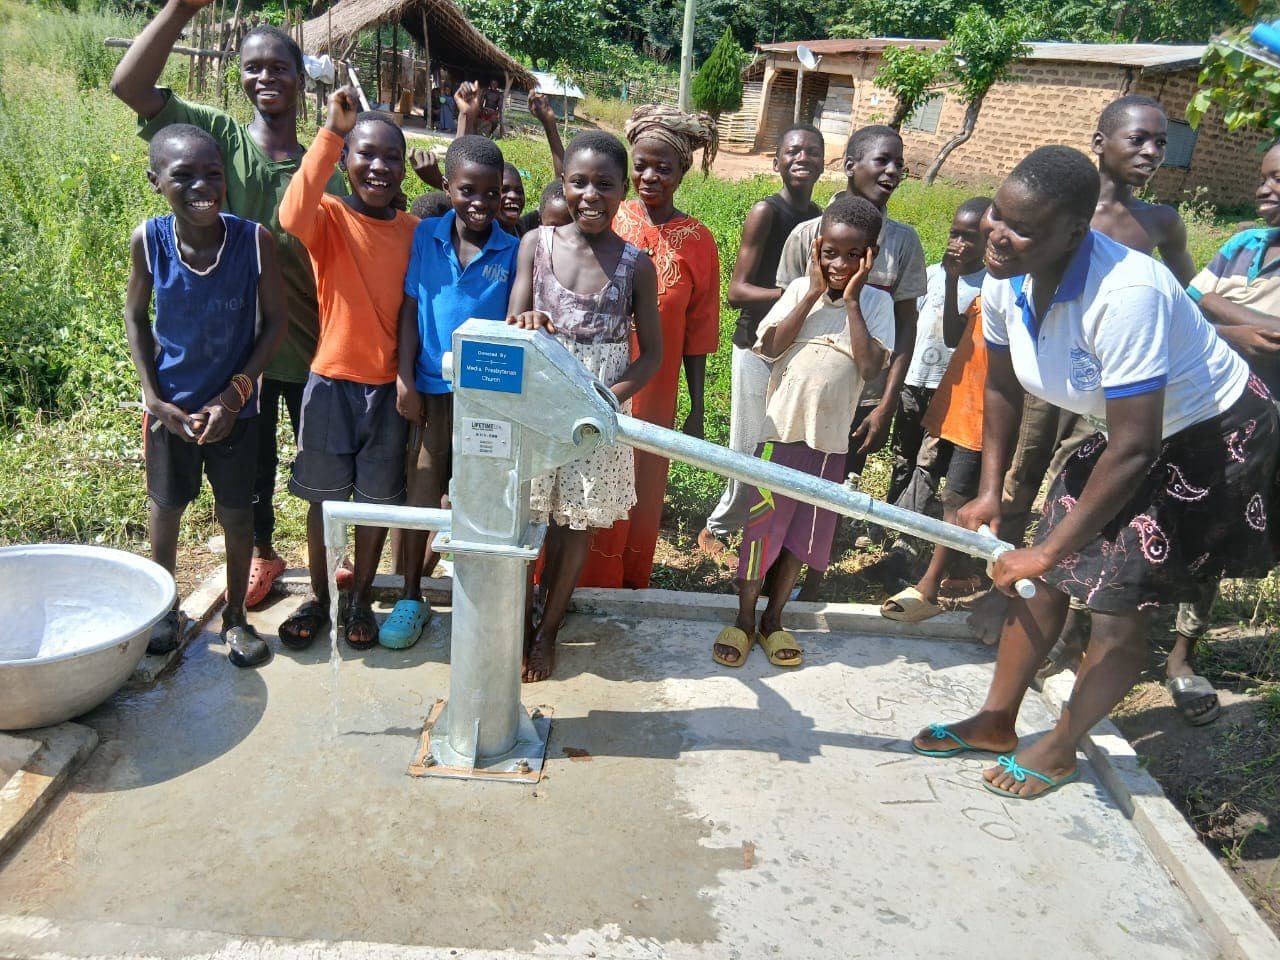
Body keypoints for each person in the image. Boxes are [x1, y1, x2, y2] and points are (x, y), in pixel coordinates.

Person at [911, 146, 1278, 800]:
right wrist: (992, 489)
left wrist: (1048, 548)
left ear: (1073, 232)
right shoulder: (1006, 273)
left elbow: (1136, 448)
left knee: (1116, 608)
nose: (997, 233)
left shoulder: (1126, 293)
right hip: (1129, 435)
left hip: (1207, 438)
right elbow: (1000, 387)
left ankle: (1059, 748)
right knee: (1040, 582)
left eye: (1021, 227)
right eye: (997, 214)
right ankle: (997, 720)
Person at [111, 1, 348, 616]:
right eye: (252, 67)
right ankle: (264, 557)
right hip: (245, 352)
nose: (265, 77)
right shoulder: (219, 141)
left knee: (322, 462)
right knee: (252, 471)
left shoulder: (331, 162)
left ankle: (330, 560)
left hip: (318, 342)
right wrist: (179, 10)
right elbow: (128, 86)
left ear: (303, 78)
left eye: (279, 67)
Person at [124, 124, 286, 668]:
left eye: (212, 174)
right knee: (166, 510)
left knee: (237, 515)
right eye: (183, 175)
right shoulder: (149, 240)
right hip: (170, 410)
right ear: (155, 182)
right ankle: (166, 609)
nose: (201, 186)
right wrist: (153, 398)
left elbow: (276, 324)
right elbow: (136, 317)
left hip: (235, 412)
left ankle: (237, 616)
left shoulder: (252, 241)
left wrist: (235, 395)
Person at [506, 131, 663, 681]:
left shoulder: (635, 265)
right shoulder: (536, 244)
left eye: (604, 184)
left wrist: (607, 400)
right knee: (524, 518)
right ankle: (518, 621)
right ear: (563, 184)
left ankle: (548, 630)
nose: (590, 195)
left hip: (595, 412)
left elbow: (653, 358)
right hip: (538, 402)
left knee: (574, 524)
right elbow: (513, 323)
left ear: (625, 191)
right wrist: (525, 323)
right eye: (578, 182)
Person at [713, 195, 894, 669]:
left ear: (870, 255)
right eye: (830, 253)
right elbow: (768, 345)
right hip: (780, 439)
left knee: (802, 538)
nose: (840, 264)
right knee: (760, 533)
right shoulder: (796, 291)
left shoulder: (876, 304)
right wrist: (812, 293)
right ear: (817, 249)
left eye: (853, 255)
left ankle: (775, 619)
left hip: (828, 447)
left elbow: (871, 366)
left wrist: (851, 301)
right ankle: (746, 618)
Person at [276, 88, 419, 651]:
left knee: (376, 502)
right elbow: (291, 214)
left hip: (389, 390)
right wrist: (332, 130)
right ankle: (320, 596)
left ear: (404, 168)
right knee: (323, 499)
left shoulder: (412, 229)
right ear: (345, 162)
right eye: (366, 154)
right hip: (331, 382)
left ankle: (359, 596)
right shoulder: (330, 217)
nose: (378, 167)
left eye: (391, 158)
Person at [775, 124, 928, 597]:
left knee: (835, 483)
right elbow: (788, 316)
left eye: (899, 163)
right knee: (783, 483)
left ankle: (813, 580)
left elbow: (906, 330)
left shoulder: (903, 243)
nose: (893, 171)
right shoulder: (808, 235)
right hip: (804, 392)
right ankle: (769, 573)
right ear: (850, 165)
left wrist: (886, 401)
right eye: (882, 160)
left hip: (865, 390)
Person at [578, 105, 722, 589]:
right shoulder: (607, 218)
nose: (649, 176)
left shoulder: (698, 242)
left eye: (664, 167)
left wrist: (698, 408)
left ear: (683, 170)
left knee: (641, 483)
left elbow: (699, 334)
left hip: (657, 389)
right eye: (640, 164)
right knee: (589, 469)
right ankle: (574, 579)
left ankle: (625, 581)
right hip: (599, 374)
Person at [1167, 140, 1280, 723]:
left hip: (1260, 428)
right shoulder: (1244, 244)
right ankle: (1102, 636)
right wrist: (1234, 327)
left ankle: (1182, 657)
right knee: (1157, 520)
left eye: (1278, 179)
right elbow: (1189, 300)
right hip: (1196, 410)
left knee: (1215, 539)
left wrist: (1217, 310)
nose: (1265, 189)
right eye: (1264, 178)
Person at [395, 135, 519, 644]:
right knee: (423, 488)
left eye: (491, 194)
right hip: (430, 389)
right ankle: (409, 594)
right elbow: (409, 308)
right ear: (447, 188)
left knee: (482, 495)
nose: (480, 203)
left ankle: (478, 596)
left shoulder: (512, 249)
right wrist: (405, 376)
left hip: (489, 399)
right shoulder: (425, 235)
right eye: (468, 190)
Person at [696, 124, 825, 566]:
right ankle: (719, 527)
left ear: (824, 163)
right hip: (755, 344)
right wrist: (801, 295)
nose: (801, 157)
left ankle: (763, 525)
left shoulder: (820, 220)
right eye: (792, 150)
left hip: (794, 345)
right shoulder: (765, 212)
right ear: (776, 162)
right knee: (747, 442)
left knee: (779, 442)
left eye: (811, 151)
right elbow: (737, 292)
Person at [881, 198, 991, 622]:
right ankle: (897, 535)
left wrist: (955, 282)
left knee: (942, 479)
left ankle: (923, 556)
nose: (958, 244)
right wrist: (946, 280)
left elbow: (954, 338)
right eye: (955, 233)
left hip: (965, 400)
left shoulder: (990, 285)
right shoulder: (933, 275)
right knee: (909, 463)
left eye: (970, 237)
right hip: (930, 391)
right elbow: (931, 327)